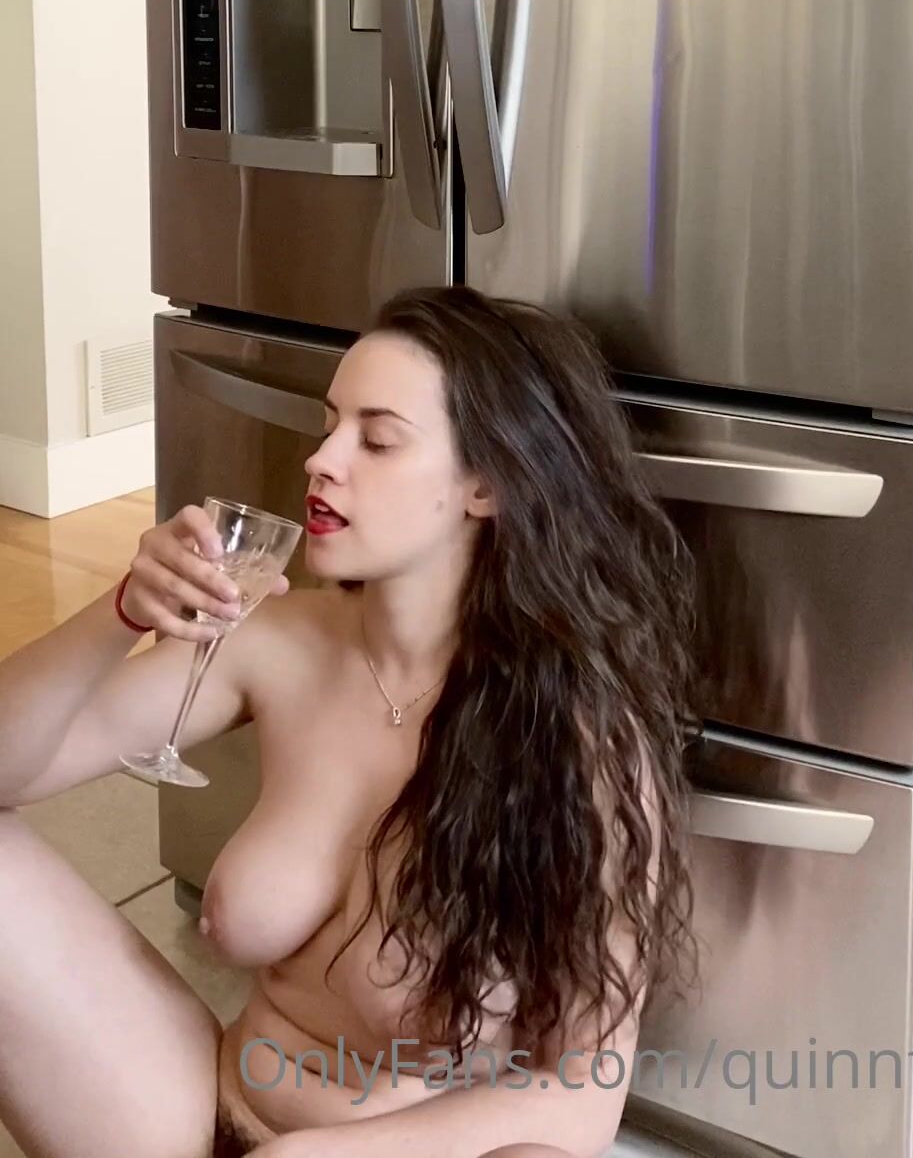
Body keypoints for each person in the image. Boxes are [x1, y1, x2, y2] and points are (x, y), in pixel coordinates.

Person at [0, 286, 698, 1158]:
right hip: (196, 1110)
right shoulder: (278, 638)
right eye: (330, 424)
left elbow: (583, 1094)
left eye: (377, 439)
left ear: (486, 485)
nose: (321, 459)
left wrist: (316, 1155)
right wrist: (122, 613)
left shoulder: (580, 739)